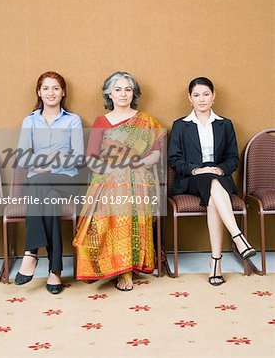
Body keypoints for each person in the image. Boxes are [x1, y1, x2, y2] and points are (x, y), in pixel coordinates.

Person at [73, 71, 165, 291]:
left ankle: (126, 271)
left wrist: (135, 165)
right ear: (109, 94)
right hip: (107, 177)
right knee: (116, 192)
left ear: (133, 93)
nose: (123, 94)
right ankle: (113, 265)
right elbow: (91, 159)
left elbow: (155, 155)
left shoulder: (146, 121)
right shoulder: (101, 121)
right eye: (118, 89)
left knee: (128, 189)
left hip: (139, 175)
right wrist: (111, 170)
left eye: (128, 89)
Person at [168, 77, 256, 286]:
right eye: (196, 95)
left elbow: (233, 157)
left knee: (214, 190)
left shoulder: (225, 124)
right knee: (211, 183)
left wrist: (220, 168)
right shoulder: (181, 125)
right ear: (190, 98)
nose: (201, 99)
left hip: (219, 177)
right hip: (192, 179)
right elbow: (174, 159)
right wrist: (196, 169)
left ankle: (216, 263)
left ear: (213, 96)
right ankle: (237, 237)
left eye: (206, 94)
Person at [14, 71, 84, 294]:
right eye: (46, 88)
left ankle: (31, 253)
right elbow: (22, 157)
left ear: (63, 92)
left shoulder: (73, 120)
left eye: (55, 88)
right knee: (48, 195)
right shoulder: (30, 120)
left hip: (67, 181)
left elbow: (78, 157)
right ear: (39, 92)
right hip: (40, 184)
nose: (51, 92)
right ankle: (55, 270)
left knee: (40, 181)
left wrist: (44, 164)